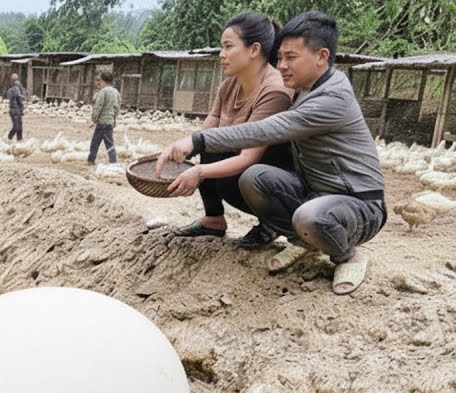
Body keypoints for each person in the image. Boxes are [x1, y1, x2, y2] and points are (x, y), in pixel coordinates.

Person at [156, 11, 386, 295]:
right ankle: (304, 243)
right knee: (255, 178)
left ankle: (348, 254)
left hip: (359, 204)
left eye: (291, 57)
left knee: (309, 217)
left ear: (321, 57)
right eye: (279, 58)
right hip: (317, 193)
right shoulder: (303, 88)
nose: (282, 66)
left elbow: (264, 130)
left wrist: (196, 141)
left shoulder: (332, 98)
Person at [167, 12, 294, 248]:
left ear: (254, 49)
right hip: (243, 160)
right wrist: (178, 152)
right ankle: (213, 219)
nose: (221, 54)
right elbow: (205, 135)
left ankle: (273, 223)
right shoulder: (229, 86)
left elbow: (249, 157)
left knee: (220, 174)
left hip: (273, 176)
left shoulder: (274, 91)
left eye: (228, 46)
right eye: (221, 47)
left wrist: (200, 172)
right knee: (207, 149)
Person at [88, 71, 119, 165]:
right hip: (110, 121)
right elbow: (117, 108)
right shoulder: (116, 92)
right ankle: (113, 161)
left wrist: (94, 119)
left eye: (99, 80)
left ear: (103, 81)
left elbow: (98, 106)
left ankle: (91, 161)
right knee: (109, 142)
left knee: (95, 143)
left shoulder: (102, 92)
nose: (98, 83)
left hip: (102, 122)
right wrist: (113, 120)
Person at [7, 72, 26, 142]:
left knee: (20, 128)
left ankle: (19, 142)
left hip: (19, 110)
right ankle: (9, 138)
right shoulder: (12, 89)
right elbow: (20, 96)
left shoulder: (19, 88)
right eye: (14, 80)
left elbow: (23, 96)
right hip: (14, 110)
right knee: (16, 127)